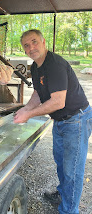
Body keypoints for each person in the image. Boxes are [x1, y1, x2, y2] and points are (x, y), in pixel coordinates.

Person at [14, 29, 92, 214]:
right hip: (60, 121)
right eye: (26, 45)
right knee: (61, 163)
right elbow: (38, 93)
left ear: (43, 42)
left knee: (72, 170)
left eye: (34, 42)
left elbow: (58, 101)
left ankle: (69, 210)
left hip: (77, 120)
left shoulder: (54, 64)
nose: (31, 47)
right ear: (24, 50)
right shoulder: (35, 66)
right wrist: (26, 108)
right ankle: (64, 194)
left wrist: (29, 115)